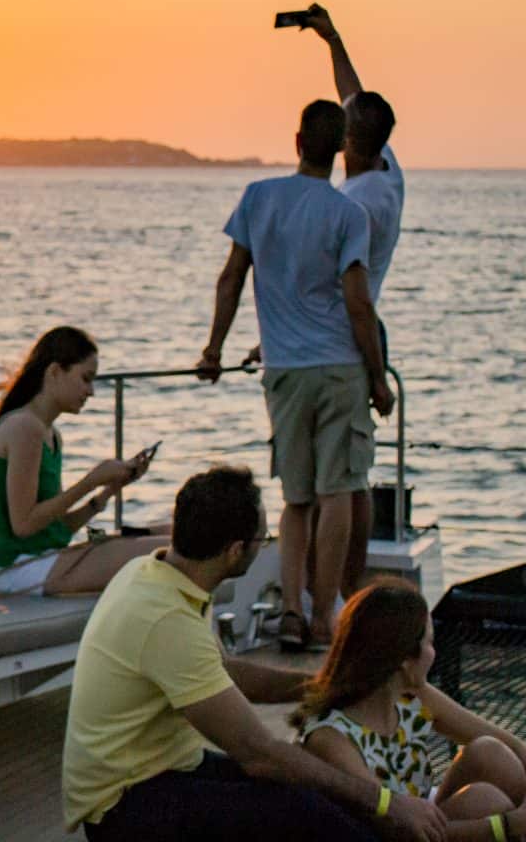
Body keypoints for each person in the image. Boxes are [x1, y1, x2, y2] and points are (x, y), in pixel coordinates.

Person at [61, 466, 449, 842]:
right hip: (124, 807)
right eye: (262, 540)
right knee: (303, 810)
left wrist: (330, 685)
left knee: (316, 794)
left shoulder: (159, 573)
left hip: (164, 768)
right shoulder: (166, 619)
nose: (265, 546)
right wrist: (386, 803)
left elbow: (224, 673)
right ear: (235, 550)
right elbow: (259, 754)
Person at [197, 99, 390, 651]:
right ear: (339, 150)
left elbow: (231, 277)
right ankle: (326, 616)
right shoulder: (347, 214)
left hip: (283, 371)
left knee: (296, 499)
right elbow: (358, 303)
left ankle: (290, 612)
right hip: (339, 371)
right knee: (338, 493)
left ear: (298, 142)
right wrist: (378, 379)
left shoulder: (260, 199)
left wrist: (213, 349)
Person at [293, 580, 526, 841]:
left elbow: (512, 744)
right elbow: (396, 830)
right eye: (430, 644)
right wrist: (511, 824)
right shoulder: (331, 738)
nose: (434, 654)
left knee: (490, 752)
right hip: (388, 835)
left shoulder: (410, 696)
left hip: (422, 821)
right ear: (403, 660)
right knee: (484, 801)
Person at [306, 3, 406, 605]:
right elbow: (355, 95)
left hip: (350, 333)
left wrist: (374, 373)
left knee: (342, 481)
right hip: (358, 329)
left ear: (347, 140)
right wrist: (332, 39)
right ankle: (343, 590)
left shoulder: (359, 206)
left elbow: (350, 294)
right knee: (352, 475)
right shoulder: (388, 168)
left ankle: (341, 595)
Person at [0, 327, 161, 596]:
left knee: (170, 537)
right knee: (165, 555)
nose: (91, 391)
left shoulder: (49, 434)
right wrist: (91, 481)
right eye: (86, 379)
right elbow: (24, 525)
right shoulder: (25, 428)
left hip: (41, 561)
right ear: (54, 372)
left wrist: (110, 488)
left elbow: (55, 527)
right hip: (21, 571)